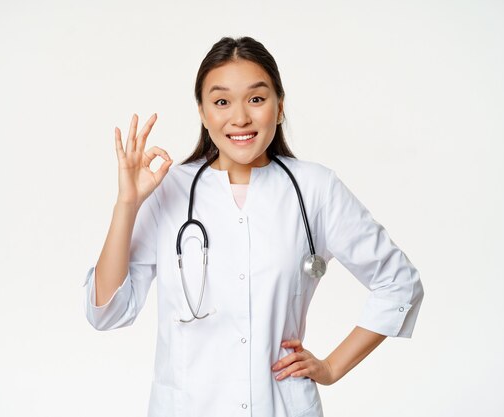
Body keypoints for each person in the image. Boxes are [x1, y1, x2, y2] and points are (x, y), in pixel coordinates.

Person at [83, 36, 424, 417]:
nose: (240, 117)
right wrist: (127, 203)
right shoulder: (169, 190)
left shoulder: (315, 189)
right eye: (222, 101)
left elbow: (399, 282)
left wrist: (331, 367)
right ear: (202, 112)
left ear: (279, 107)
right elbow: (107, 313)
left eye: (257, 99)